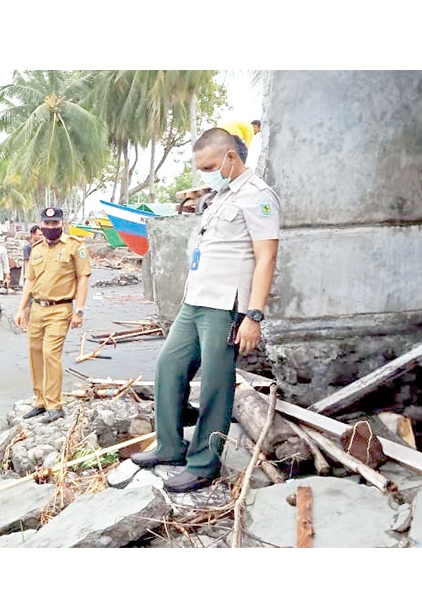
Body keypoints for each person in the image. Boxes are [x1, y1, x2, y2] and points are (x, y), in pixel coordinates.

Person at [130, 127, 280, 494]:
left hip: (225, 306)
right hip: (195, 300)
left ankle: (203, 463)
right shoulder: (219, 196)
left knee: (215, 383)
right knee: (169, 365)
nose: (207, 174)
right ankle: (170, 445)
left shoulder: (258, 197)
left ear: (231, 157)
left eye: (211, 165)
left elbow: (266, 258)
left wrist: (253, 316)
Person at [15, 207, 91, 424]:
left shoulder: (75, 246)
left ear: (62, 223)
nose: (51, 227)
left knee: (51, 354)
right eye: (46, 224)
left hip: (61, 309)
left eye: (55, 223)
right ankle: (40, 402)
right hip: (37, 308)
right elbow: (30, 280)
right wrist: (22, 309)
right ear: (41, 225)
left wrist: (80, 309)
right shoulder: (36, 249)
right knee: (35, 353)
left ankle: (55, 405)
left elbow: (83, 278)